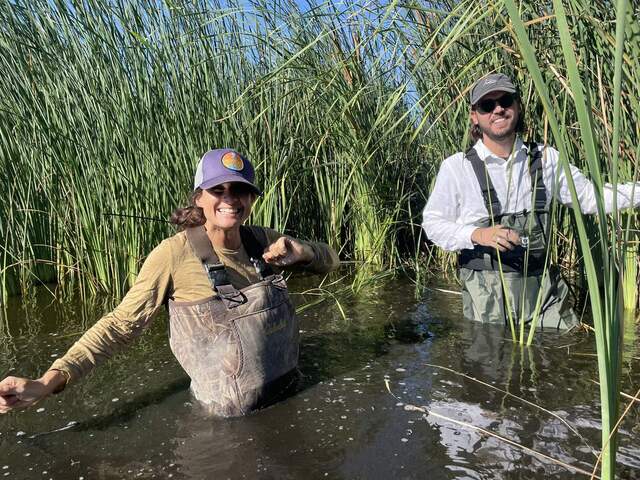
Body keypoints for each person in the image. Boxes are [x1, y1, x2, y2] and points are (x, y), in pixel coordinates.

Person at [0, 148, 340, 416]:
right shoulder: (173, 256)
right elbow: (119, 326)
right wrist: (49, 381)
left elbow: (333, 261)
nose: (230, 198)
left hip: (292, 395)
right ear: (199, 198)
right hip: (226, 421)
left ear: (252, 198)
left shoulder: (265, 241)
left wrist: (305, 251)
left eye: (240, 189)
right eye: (217, 189)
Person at [422, 73, 640, 329]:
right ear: (474, 116)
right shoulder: (456, 167)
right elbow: (433, 224)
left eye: (505, 100)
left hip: (542, 290)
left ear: (517, 106)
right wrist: (478, 234)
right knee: (490, 364)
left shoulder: (547, 159)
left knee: (560, 353)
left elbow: (590, 199)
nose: (498, 109)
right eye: (487, 105)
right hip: (487, 295)